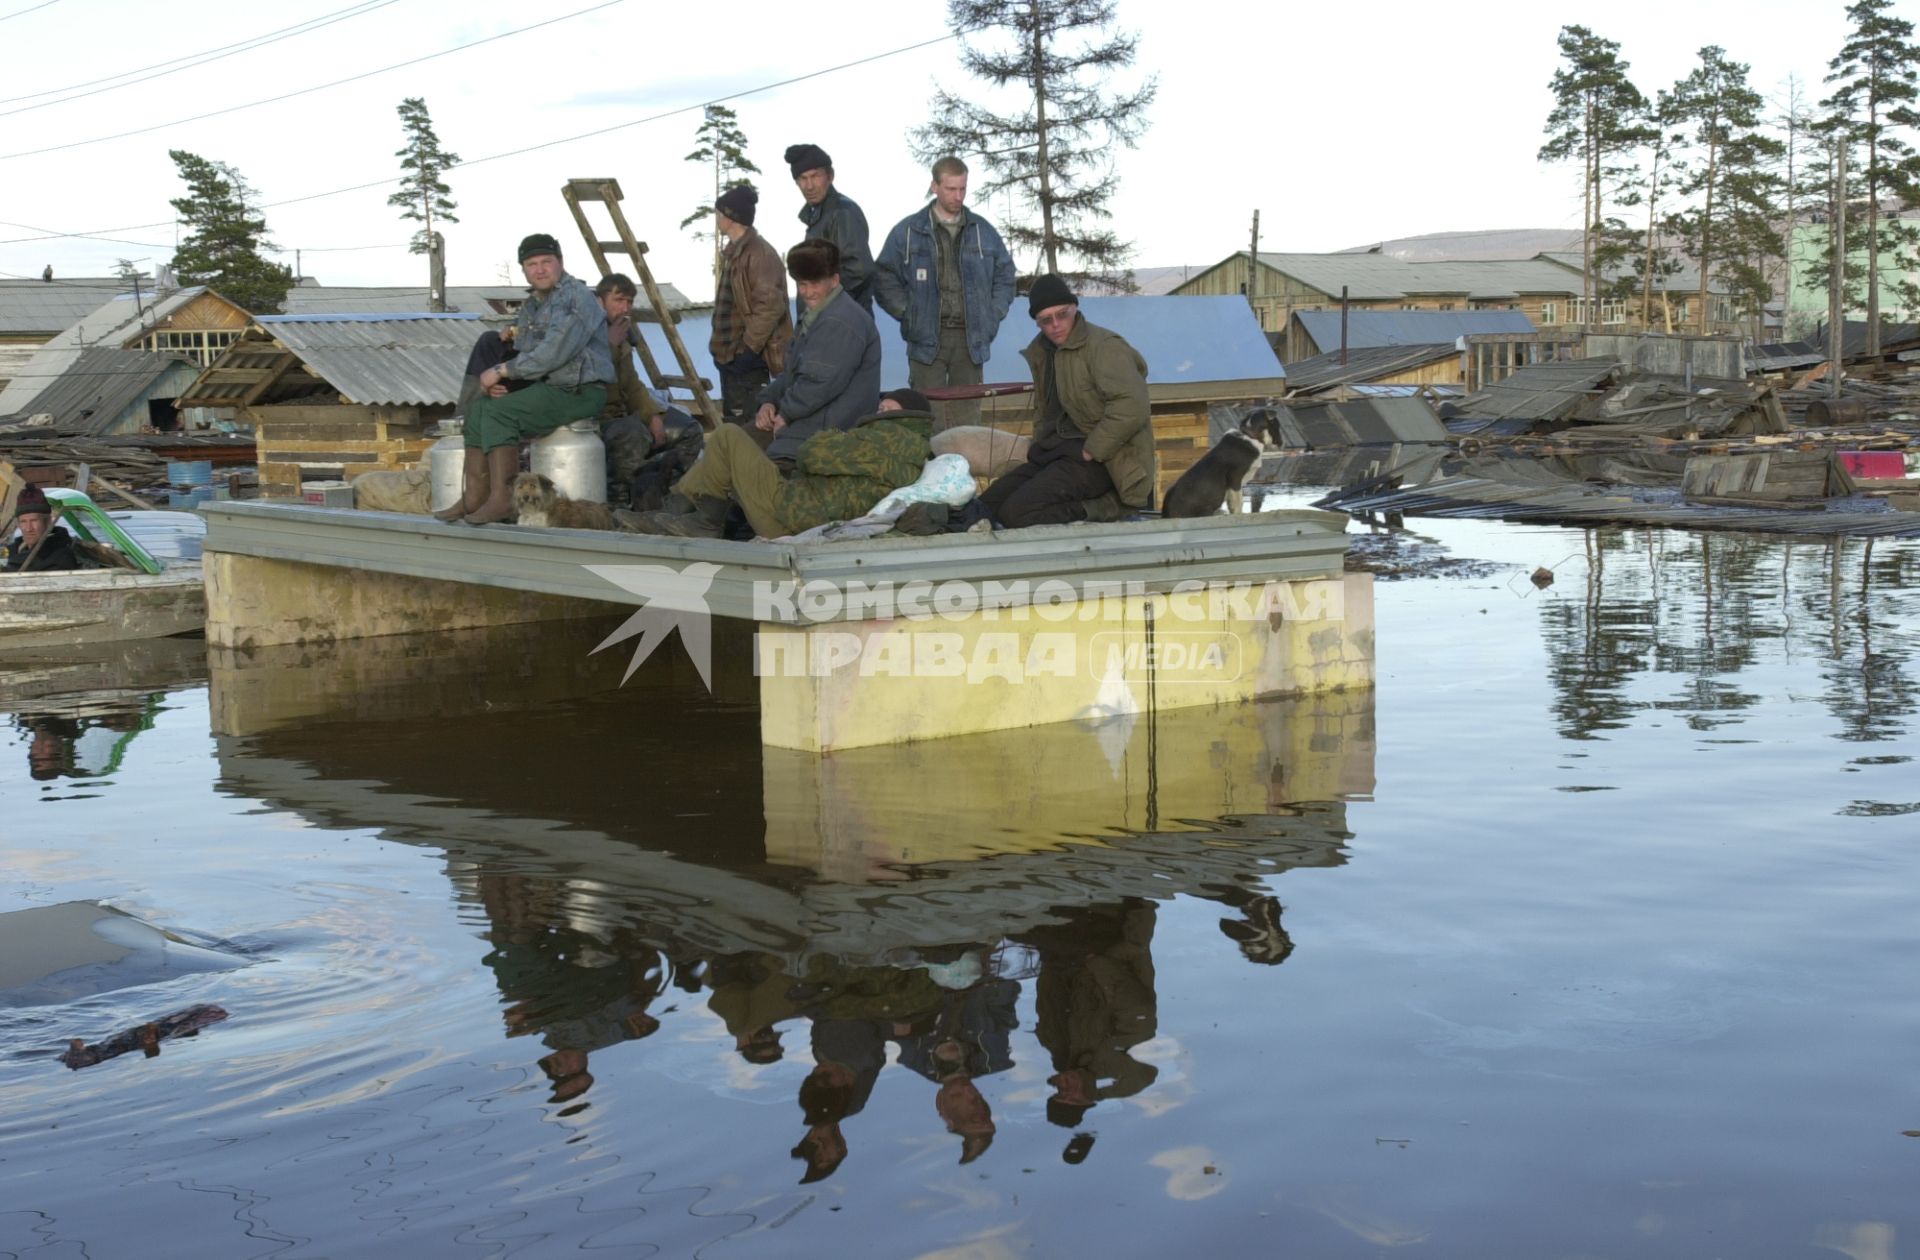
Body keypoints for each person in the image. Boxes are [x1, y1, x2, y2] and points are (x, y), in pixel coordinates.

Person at [435, 233, 613, 525]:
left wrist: (501, 372)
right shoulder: (535, 303)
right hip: (551, 386)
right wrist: (512, 334)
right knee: (479, 409)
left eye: (546, 262)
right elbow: (528, 346)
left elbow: (552, 353)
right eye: (532, 264)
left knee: (499, 414)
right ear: (524, 269)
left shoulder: (576, 297)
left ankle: (504, 500)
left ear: (561, 263)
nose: (540, 269)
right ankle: (475, 497)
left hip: (579, 389)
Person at [627, 388, 931, 539]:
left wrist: (830, 439)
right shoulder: (906, 448)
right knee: (730, 446)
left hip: (790, 515)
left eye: (886, 408)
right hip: (804, 512)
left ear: (905, 417)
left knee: (729, 436)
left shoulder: (887, 439)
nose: (878, 413)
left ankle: (689, 516)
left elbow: (811, 454)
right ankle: (680, 514)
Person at [977, 275, 1155, 528]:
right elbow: (1046, 410)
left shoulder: (1104, 347)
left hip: (1103, 459)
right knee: (985, 507)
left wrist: (1093, 448)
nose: (1056, 325)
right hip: (1054, 452)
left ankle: (1103, 508)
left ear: (1075, 309)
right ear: (1038, 323)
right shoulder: (1041, 352)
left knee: (1017, 513)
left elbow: (1132, 406)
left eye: (1063, 314)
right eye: (1046, 320)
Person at [873, 155, 1016, 429]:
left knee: (967, 419)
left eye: (963, 188)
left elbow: (1006, 275)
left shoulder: (982, 232)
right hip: (926, 340)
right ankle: (929, 471)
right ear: (934, 186)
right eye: (951, 189)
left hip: (971, 339)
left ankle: (964, 470)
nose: (958, 196)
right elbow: (883, 277)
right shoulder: (908, 232)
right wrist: (908, 314)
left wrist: (993, 314)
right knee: (927, 417)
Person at [753, 238, 881, 465]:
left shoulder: (840, 320)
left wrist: (786, 413)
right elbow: (794, 374)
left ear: (834, 280)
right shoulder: (816, 316)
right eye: (802, 284)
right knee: (732, 442)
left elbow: (818, 383)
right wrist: (769, 401)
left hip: (829, 432)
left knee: (739, 454)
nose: (808, 292)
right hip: (809, 421)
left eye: (815, 284)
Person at [708, 185, 793, 424]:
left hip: (750, 359)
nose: (716, 219)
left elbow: (770, 306)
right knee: (734, 424)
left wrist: (748, 349)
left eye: (718, 213)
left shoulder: (759, 253)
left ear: (730, 217)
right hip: (731, 356)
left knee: (755, 425)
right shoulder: (735, 252)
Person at [593, 273, 668, 495]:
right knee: (633, 433)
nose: (625, 309)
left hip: (623, 413)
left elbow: (632, 384)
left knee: (688, 430)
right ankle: (621, 501)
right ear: (600, 302)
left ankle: (666, 492)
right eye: (618, 300)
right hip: (597, 418)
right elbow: (586, 376)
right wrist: (610, 345)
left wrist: (652, 415)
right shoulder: (583, 330)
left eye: (629, 302)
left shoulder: (622, 331)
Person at [785, 143, 873, 312]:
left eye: (815, 176)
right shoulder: (818, 215)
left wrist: (821, 305)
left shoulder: (842, 212)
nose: (809, 186)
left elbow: (859, 270)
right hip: (828, 320)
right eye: (803, 178)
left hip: (843, 322)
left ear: (830, 176)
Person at [3, 487, 86, 572]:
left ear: (48, 521)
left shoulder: (60, 557)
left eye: (34, 520)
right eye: (23, 522)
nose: (28, 529)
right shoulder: (14, 550)